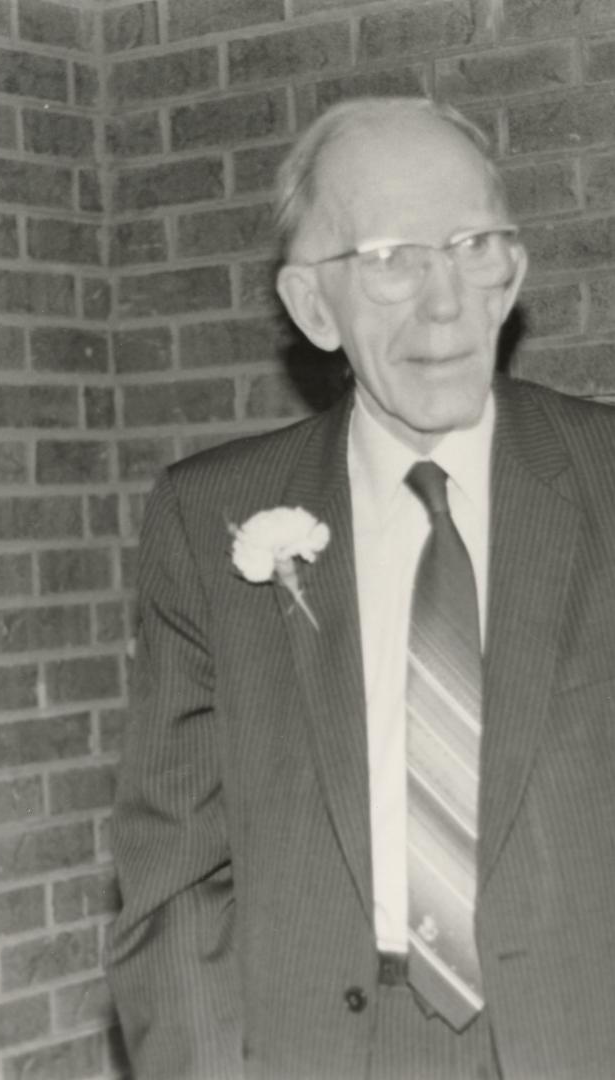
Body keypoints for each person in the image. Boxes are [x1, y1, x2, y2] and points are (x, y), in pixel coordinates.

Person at [106, 96, 615, 1079]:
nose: (443, 302)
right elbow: (172, 877)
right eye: (389, 261)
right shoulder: (209, 517)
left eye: (471, 246)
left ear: (509, 271)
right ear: (310, 308)